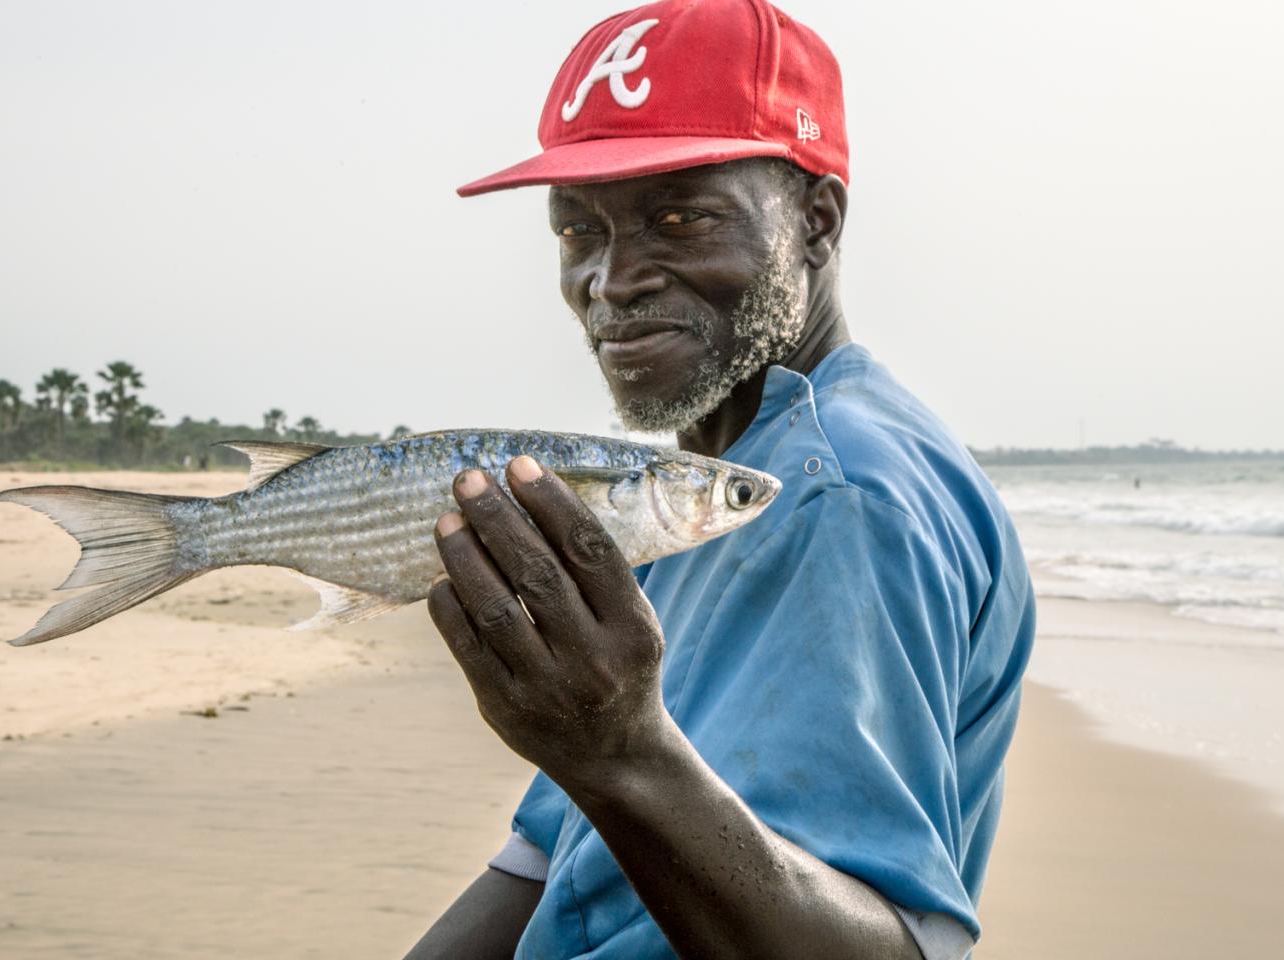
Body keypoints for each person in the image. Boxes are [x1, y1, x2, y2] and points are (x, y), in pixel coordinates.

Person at [407, 1, 1034, 957]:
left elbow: (897, 948)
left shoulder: (832, 493)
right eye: (578, 230)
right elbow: (549, 855)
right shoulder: (695, 487)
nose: (611, 281)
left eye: (679, 216)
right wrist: (601, 756)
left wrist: (619, 752)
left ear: (815, 223)